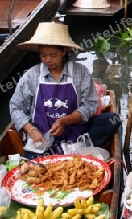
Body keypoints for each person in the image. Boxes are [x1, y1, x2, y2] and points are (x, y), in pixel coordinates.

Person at [9, 22, 121, 159]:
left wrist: (65, 121)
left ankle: (69, 149)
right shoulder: (32, 76)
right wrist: (31, 130)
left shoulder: (80, 72)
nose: (48, 60)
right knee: (35, 163)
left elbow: (90, 105)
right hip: (43, 136)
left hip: (75, 129)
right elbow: (15, 107)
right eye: (43, 55)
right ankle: (69, 151)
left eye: (53, 55)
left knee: (112, 119)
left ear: (64, 51)